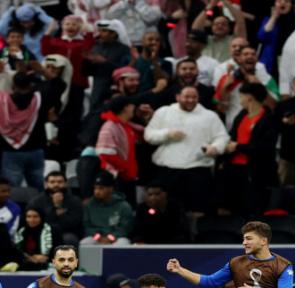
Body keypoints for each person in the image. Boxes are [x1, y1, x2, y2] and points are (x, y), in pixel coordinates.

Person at [144, 86, 229, 214]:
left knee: (198, 209)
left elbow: (222, 137)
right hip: (169, 170)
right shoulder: (164, 112)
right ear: (178, 97)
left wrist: (215, 147)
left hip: (198, 169)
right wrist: (167, 134)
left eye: (194, 97)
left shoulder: (209, 116)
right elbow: (149, 135)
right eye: (187, 97)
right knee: (169, 210)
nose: (190, 100)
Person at [218, 83, 279, 216]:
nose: (240, 100)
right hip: (235, 167)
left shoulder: (269, 119)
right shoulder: (242, 115)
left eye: (241, 96)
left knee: (253, 207)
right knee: (234, 206)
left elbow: (266, 147)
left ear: (249, 97)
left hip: (256, 170)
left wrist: (238, 147)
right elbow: (232, 136)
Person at [96, 97, 138, 197]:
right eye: (131, 105)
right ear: (126, 108)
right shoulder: (109, 126)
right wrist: (124, 168)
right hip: (116, 176)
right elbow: (105, 153)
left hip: (127, 175)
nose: (134, 107)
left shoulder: (124, 125)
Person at [27, 171, 82, 246]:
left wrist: (58, 207)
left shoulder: (75, 201)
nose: (56, 185)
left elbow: (73, 224)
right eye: (52, 182)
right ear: (46, 184)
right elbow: (34, 221)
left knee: (69, 239)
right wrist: (55, 209)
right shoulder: (36, 201)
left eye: (60, 182)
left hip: (66, 233)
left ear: (66, 184)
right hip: (41, 232)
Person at [81, 171, 134, 247]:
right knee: (84, 244)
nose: (97, 192)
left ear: (110, 189)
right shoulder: (89, 205)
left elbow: (125, 228)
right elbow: (87, 226)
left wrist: (111, 238)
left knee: (123, 244)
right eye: (95, 188)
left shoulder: (123, 206)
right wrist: (98, 237)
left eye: (101, 188)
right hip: (96, 237)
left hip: (116, 238)